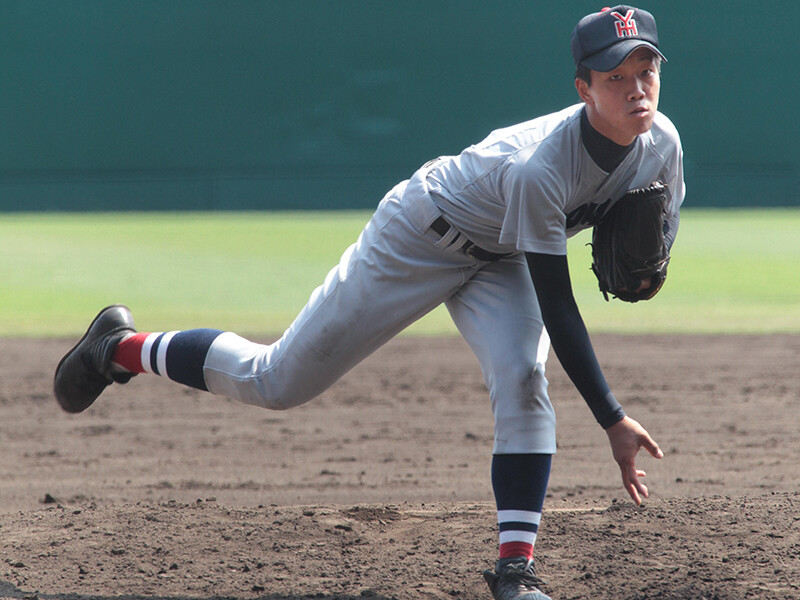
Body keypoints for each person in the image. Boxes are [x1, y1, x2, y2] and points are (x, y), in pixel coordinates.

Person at [54, 5, 683, 600]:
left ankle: (515, 572)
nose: (636, 89)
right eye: (616, 76)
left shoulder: (664, 145)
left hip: (502, 257)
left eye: (646, 69)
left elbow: (659, 240)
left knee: (522, 377)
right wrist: (611, 416)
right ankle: (118, 348)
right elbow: (559, 307)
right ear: (584, 89)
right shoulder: (540, 170)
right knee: (276, 380)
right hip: (421, 235)